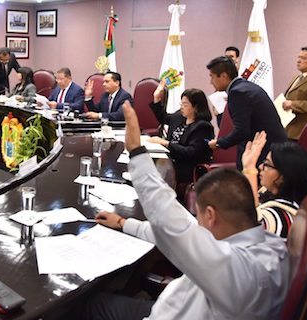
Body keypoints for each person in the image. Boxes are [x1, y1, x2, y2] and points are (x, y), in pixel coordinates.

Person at [87, 101, 289, 320]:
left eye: (199, 215)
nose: (196, 221)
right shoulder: (268, 244)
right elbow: (185, 231)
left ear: (210, 216)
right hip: (175, 306)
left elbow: (177, 229)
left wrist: (136, 152)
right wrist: (123, 223)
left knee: (87, 306)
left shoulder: (241, 272)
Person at [206, 56, 286, 168]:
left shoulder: (237, 93)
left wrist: (219, 143)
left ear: (224, 76)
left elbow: (242, 131)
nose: (211, 82)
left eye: (212, 77)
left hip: (264, 151)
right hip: (273, 146)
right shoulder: (245, 87)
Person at [242, 131, 307, 238]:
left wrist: (249, 169)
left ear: (283, 177)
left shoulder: (283, 214)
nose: (260, 167)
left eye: (267, 164)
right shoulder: (266, 192)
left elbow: (247, 231)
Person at [148, 81, 214, 184]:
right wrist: (156, 98)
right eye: (181, 103)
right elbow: (163, 117)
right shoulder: (180, 117)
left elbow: (190, 152)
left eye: (185, 104)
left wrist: (166, 143)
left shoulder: (203, 127)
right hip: (170, 161)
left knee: (152, 173)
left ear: (196, 107)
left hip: (185, 167)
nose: (182, 107)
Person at [283, 46, 307, 140]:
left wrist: (292, 104)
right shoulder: (297, 77)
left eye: (303, 58)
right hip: (289, 128)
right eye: (298, 57)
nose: (298, 61)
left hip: (302, 131)